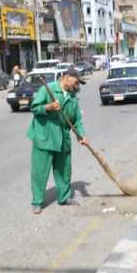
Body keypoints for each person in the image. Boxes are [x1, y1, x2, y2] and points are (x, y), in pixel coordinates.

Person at [27, 68, 89, 214]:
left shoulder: (73, 98)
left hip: (63, 138)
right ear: (66, 77)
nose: (77, 85)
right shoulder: (47, 89)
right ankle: (37, 201)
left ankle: (64, 197)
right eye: (76, 81)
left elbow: (77, 121)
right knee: (40, 172)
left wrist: (82, 136)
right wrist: (48, 107)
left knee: (64, 170)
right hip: (45, 137)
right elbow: (34, 108)